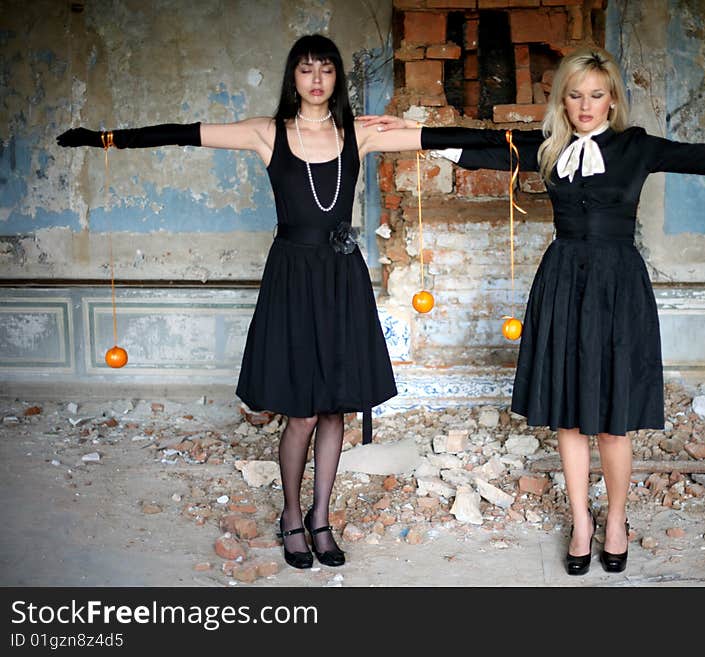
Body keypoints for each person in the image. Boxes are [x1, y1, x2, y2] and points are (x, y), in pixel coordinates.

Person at [358, 46, 705, 575]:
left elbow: (704, 156)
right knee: (570, 420)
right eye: (575, 96)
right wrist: (396, 132)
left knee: (614, 423)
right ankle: (581, 523)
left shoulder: (636, 148)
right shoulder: (549, 147)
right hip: (563, 282)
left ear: (612, 99)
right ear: (563, 100)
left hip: (619, 287)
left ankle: (616, 520)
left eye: (596, 95)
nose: (586, 105)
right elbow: (476, 145)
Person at [57, 34, 429, 570]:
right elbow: (186, 134)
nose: (317, 80)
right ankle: (291, 517)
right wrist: (107, 139)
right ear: (293, 78)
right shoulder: (266, 132)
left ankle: (321, 518)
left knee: (333, 409)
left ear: (337, 78)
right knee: (300, 412)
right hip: (293, 278)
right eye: (306, 70)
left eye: (326, 70)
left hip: (341, 278)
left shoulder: (358, 136)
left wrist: (520, 141)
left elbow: (434, 138)